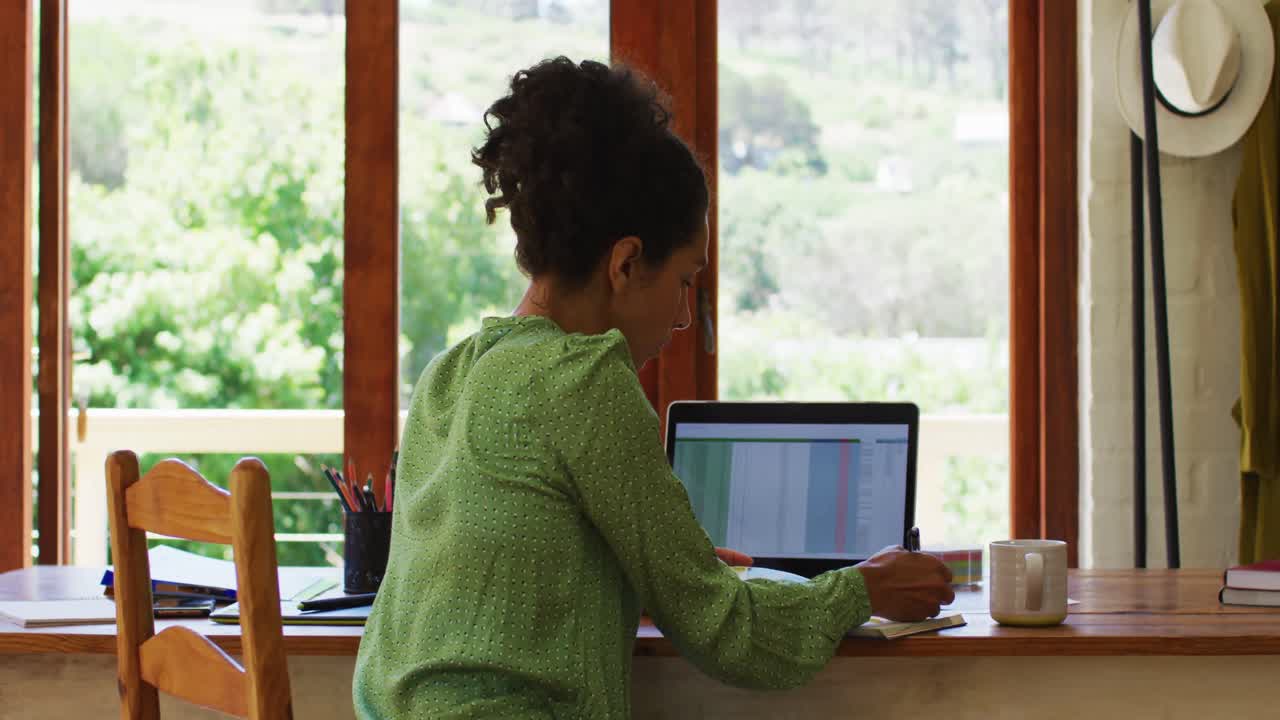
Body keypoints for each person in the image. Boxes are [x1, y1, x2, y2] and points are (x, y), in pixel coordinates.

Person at [352, 57, 954, 719]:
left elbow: (491, 580)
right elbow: (727, 635)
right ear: (627, 263)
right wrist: (863, 588)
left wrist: (630, 573)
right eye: (685, 281)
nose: (680, 317)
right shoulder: (583, 381)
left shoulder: (453, 371)